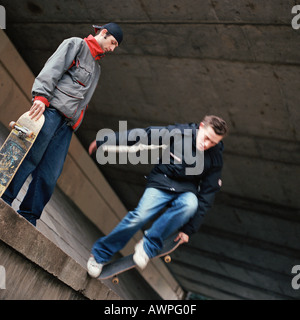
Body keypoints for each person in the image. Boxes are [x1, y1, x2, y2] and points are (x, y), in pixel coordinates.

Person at [1, 23, 123, 226]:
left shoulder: (97, 68)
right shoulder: (75, 45)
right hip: (49, 113)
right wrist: (41, 97)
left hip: (66, 126)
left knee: (49, 174)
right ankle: (4, 198)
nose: (112, 49)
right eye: (113, 43)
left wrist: (75, 124)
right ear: (103, 33)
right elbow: (52, 69)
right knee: (29, 158)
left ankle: (28, 217)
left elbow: (83, 101)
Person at [87, 115, 228, 277]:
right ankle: (98, 256)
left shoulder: (215, 157)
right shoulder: (178, 133)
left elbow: (208, 193)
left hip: (185, 190)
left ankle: (148, 246)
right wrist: (105, 140)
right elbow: (143, 135)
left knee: (191, 203)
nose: (207, 144)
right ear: (201, 126)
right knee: (139, 217)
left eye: (213, 143)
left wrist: (189, 229)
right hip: (162, 182)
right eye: (207, 138)